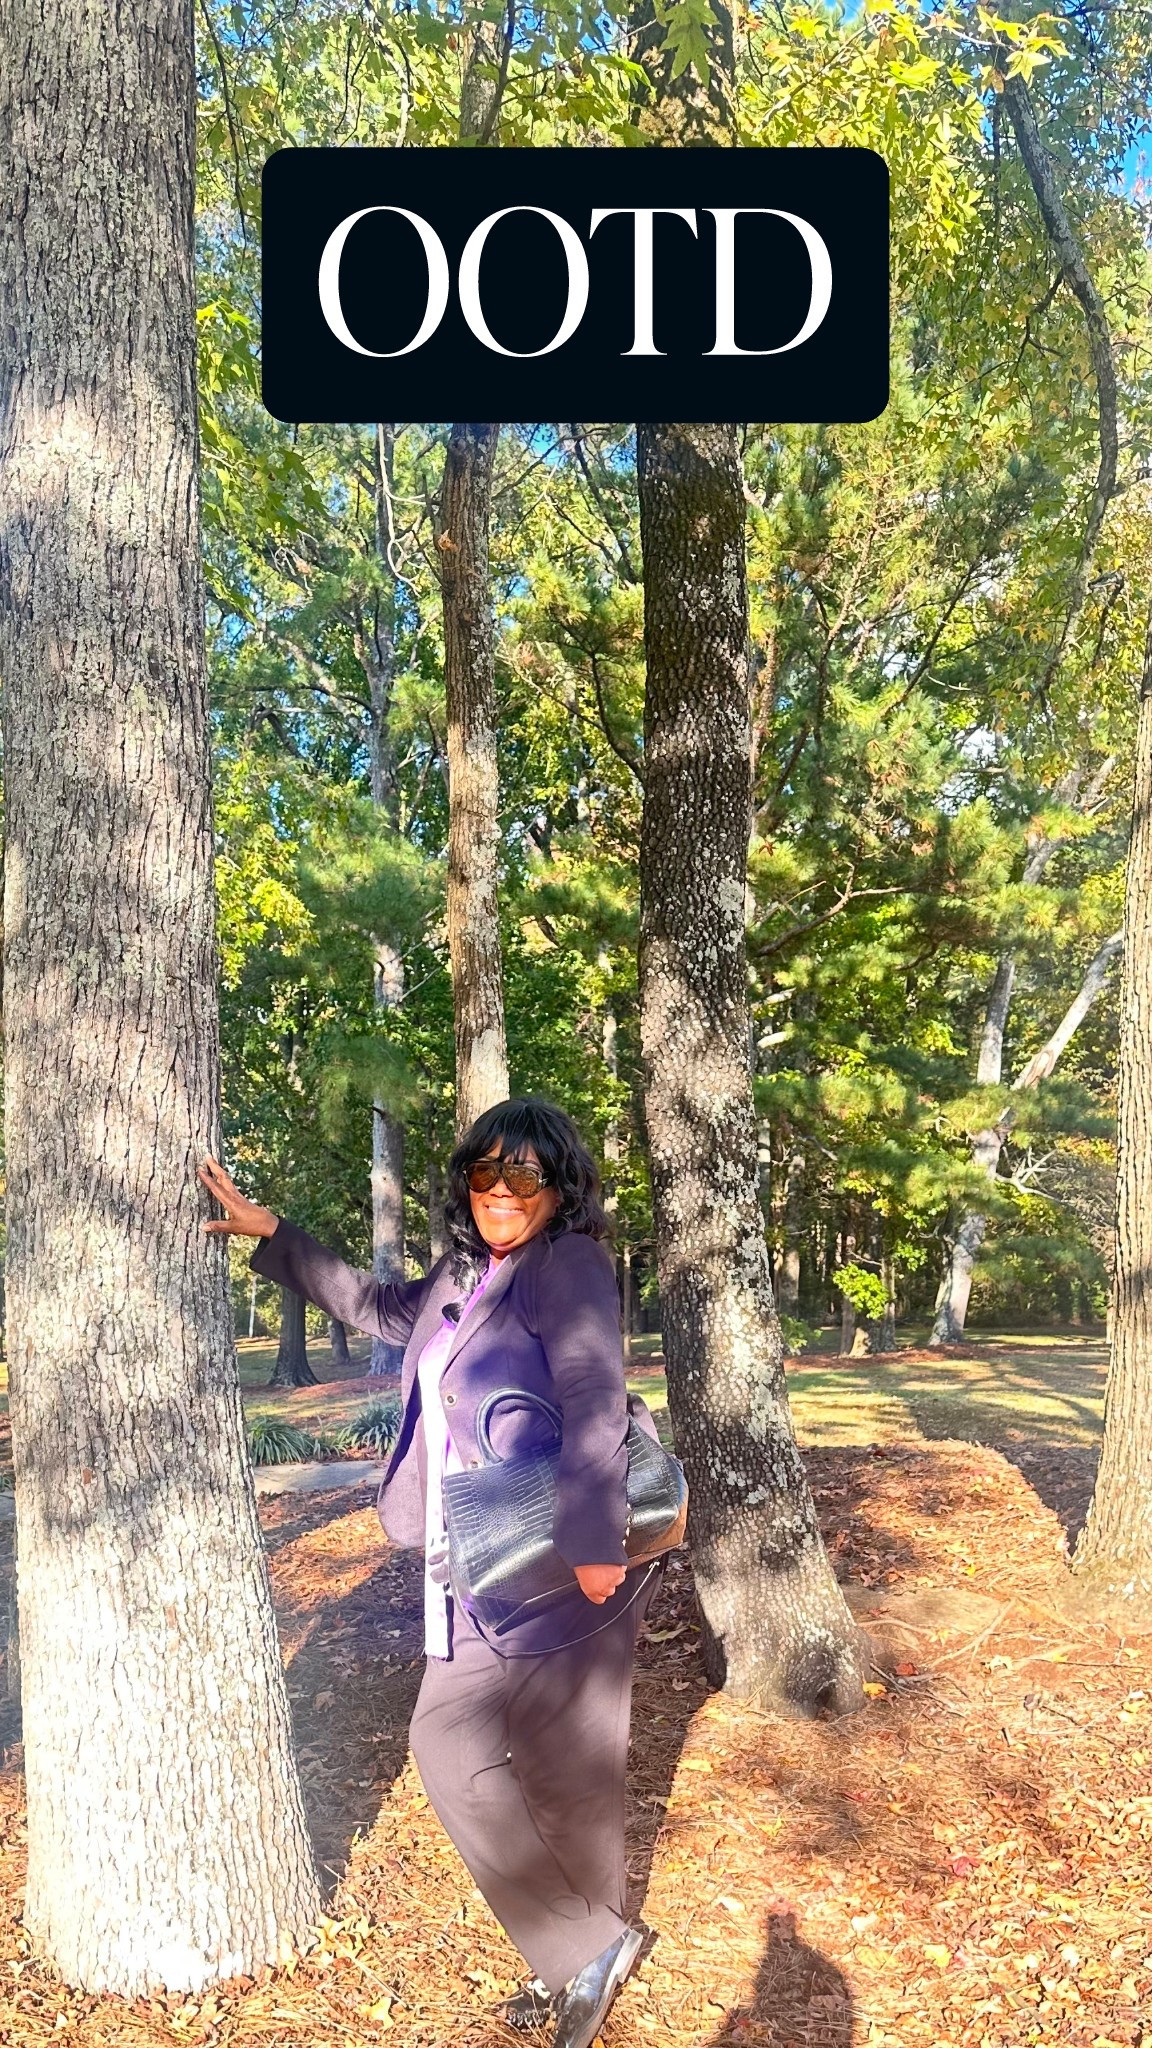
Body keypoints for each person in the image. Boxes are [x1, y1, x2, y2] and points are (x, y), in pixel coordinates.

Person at [198, 1096, 659, 2048]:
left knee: (525, 1753)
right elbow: (376, 1307)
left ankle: (579, 1955)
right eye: (484, 1173)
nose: (501, 1191)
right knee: (508, 1747)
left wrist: (595, 1543)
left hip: (561, 1553)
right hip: (482, 1555)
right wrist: (275, 1234)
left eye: (523, 1175)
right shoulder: (465, 1273)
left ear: (558, 1186)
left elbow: (594, 1397)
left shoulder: (566, 1264)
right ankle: (587, 1948)